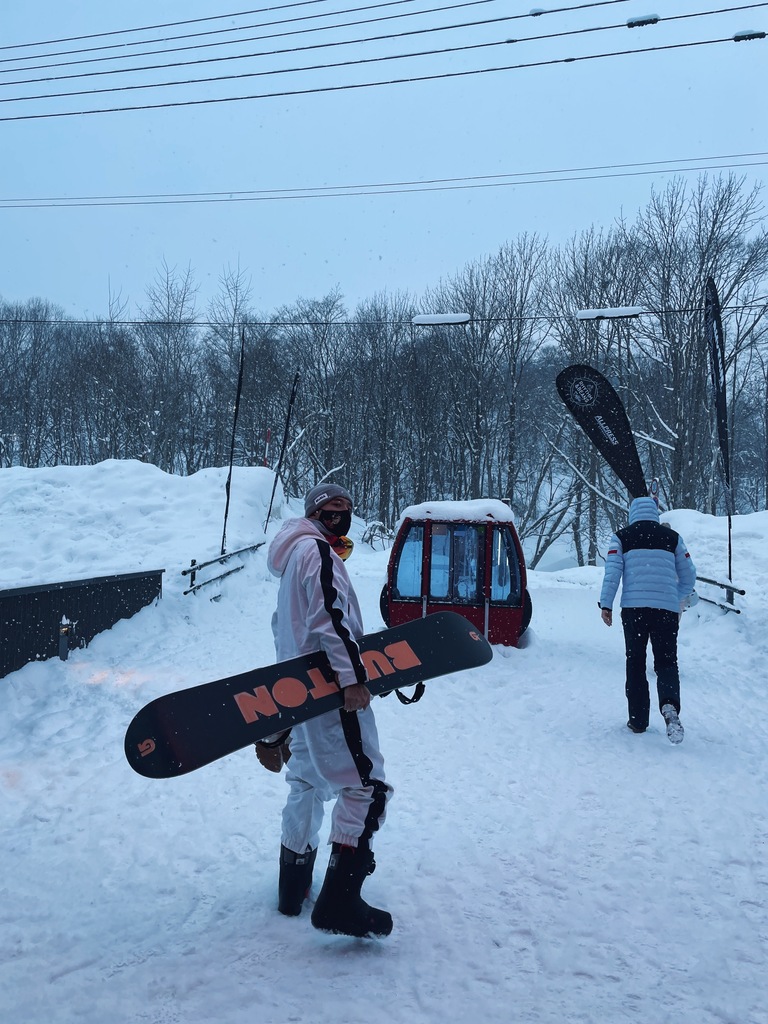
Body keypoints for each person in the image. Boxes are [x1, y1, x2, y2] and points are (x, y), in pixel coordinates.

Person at [258, 482, 393, 938]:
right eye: (332, 509)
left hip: (303, 693)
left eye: (346, 509)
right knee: (366, 787)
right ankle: (340, 901)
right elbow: (330, 619)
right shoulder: (316, 552)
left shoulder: (294, 556)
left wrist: (283, 709)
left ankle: (292, 887)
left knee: (308, 782)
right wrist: (352, 679)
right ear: (315, 512)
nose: (340, 516)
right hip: (332, 691)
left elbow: (285, 630)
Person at [599, 495, 696, 743]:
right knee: (666, 661)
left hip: (634, 609)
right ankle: (670, 705)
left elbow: (613, 573)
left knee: (636, 662)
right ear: (655, 513)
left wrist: (606, 604)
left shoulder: (621, 537)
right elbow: (689, 576)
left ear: (632, 513)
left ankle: (638, 721)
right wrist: (675, 598)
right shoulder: (673, 538)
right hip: (665, 611)